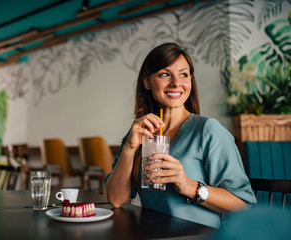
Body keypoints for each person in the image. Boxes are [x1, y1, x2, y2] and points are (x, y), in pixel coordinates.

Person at [105, 43, 256, 228]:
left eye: (184, 74)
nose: (176, 83)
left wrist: (188, 185)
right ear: (146, 81)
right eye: (165, 74)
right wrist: (129, 148)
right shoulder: (141, 131)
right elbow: (116, 199)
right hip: (152, 234)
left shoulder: (208, 130)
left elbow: (244, 206)